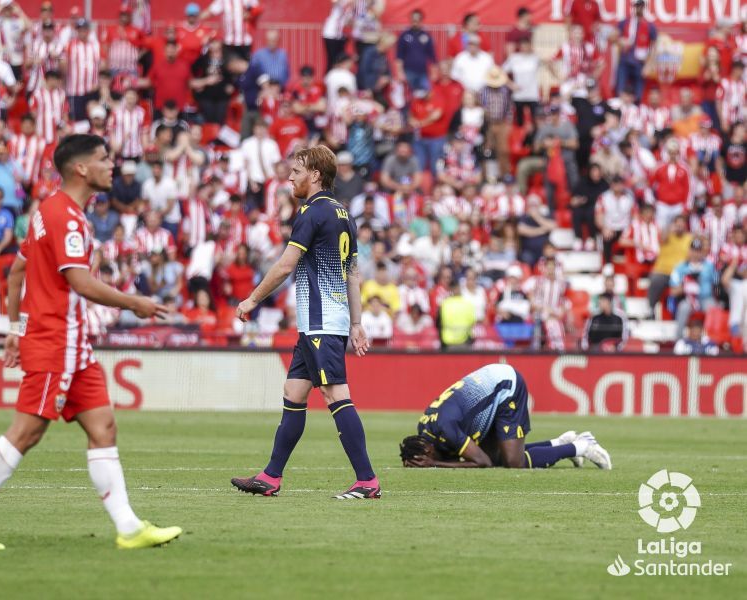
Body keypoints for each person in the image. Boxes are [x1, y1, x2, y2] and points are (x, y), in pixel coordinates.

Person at [0, 135, 181, 550]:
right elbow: (80, 281)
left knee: (103, 425)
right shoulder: (67, 218)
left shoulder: (46, 212)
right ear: (81, 169)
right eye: (105, 159)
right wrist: (133, 303)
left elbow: (17, 272)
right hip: (57, 342)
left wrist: (16, 331)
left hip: (73, 346)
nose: (113, 166)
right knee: (26, 432)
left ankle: (128, 528)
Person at [231, 145, 380, 500]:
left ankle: (367, 481)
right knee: (294, 393)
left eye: (296, 172)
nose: (290, 178)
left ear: (315, 174)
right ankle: (270, 476)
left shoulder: (312, 212)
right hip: (327, 321)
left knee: (334, 394)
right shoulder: (344, 213)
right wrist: (356, 323)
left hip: (321, 322)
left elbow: (285, 265)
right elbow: (352, 273)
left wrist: (252, 298)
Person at [400, 364, 611, 469]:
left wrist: (435, 464)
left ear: (427, 449)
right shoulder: (426, 428)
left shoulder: (445, 428)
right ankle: (560, 443)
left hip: (506, 385)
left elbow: (483, 462)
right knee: (500, 456)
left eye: (422, 459)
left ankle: (582, 445)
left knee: (513, 462)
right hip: (490, 390)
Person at [615, 0, 657, 101]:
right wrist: (620, 41)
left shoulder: (649, 26)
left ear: (644, 8)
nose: (638, 8)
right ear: (633, 7)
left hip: (639, 63)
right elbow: (613, 37)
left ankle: (636, 113)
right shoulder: (625, 22)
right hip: (625, 61)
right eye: (637, 6)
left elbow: (654, 47)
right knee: (620, 90)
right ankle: (620, 113)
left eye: (640, 6)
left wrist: (648, 65)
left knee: (638, 94)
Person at [396, 9, 436, 92]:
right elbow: (399, 56)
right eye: (413, 20)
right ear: (410, 20)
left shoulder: (426, 36)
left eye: (417, 20)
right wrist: (400, 73)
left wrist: (434, 73)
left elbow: (432, 56)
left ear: (421, 21)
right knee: (409, 98)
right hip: (408, 73)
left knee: (425, 95)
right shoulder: (405, 36)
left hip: (423, 73)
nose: (415, 23)